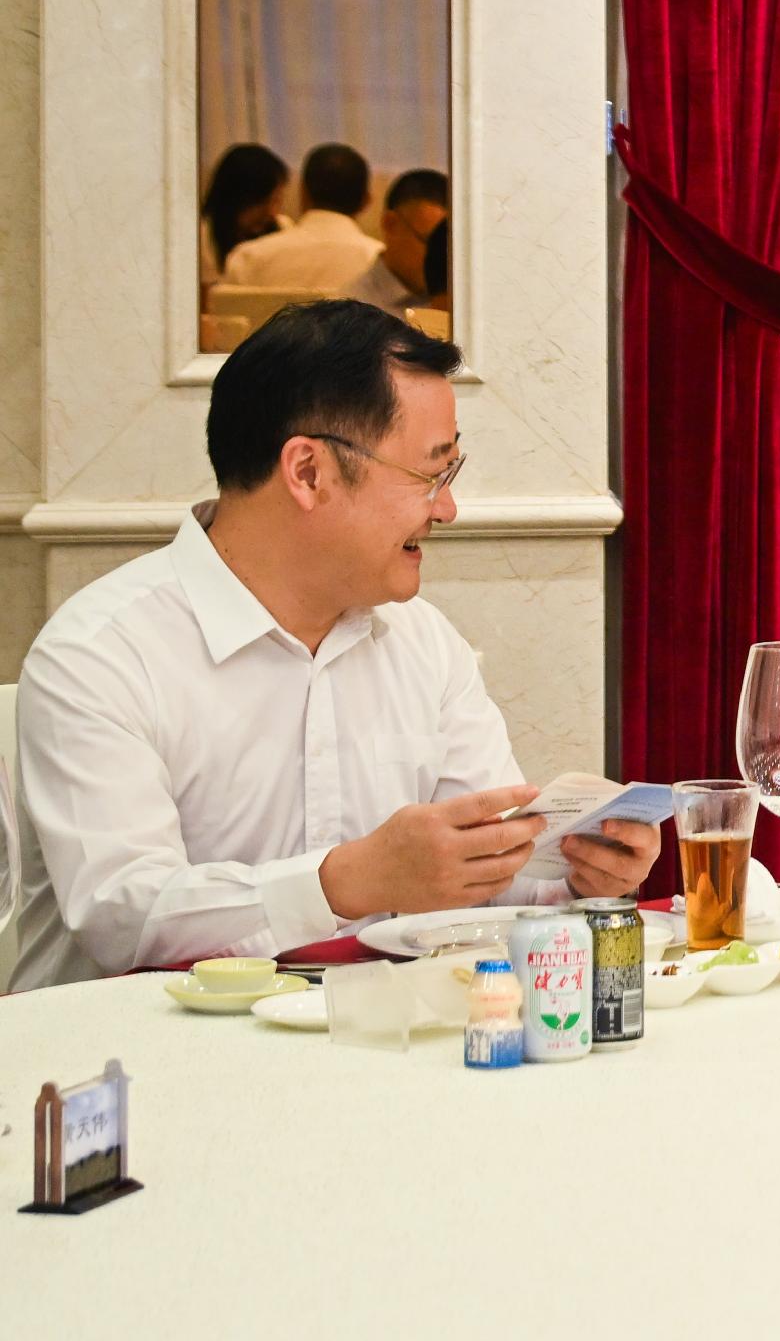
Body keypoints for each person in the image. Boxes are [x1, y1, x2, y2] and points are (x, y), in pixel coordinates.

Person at [5, 300, 660, 991]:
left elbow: (483, 875)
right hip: (131, 1069)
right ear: (308, 473)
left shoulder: (422, 641)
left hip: (367, 1050)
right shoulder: (99, 654)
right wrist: (347, 878)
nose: (447, 508)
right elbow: (123, 917)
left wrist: (580, 875)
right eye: (430, 474)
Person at [220, 143, 392, 298]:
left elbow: (226, 329)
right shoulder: (381, 264)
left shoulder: (247, 258)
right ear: (366, 200)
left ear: (303, 192)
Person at [198, 142, 290, 287]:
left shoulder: (283, 226)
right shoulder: (203, 236)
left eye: (276, 201)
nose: (272, 212)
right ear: (235, 199)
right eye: (262, 203)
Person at [375, 167, 451, 306]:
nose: (443, 258)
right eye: (432, 242)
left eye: (448, 246)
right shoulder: (352, 309)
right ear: (390, 224)